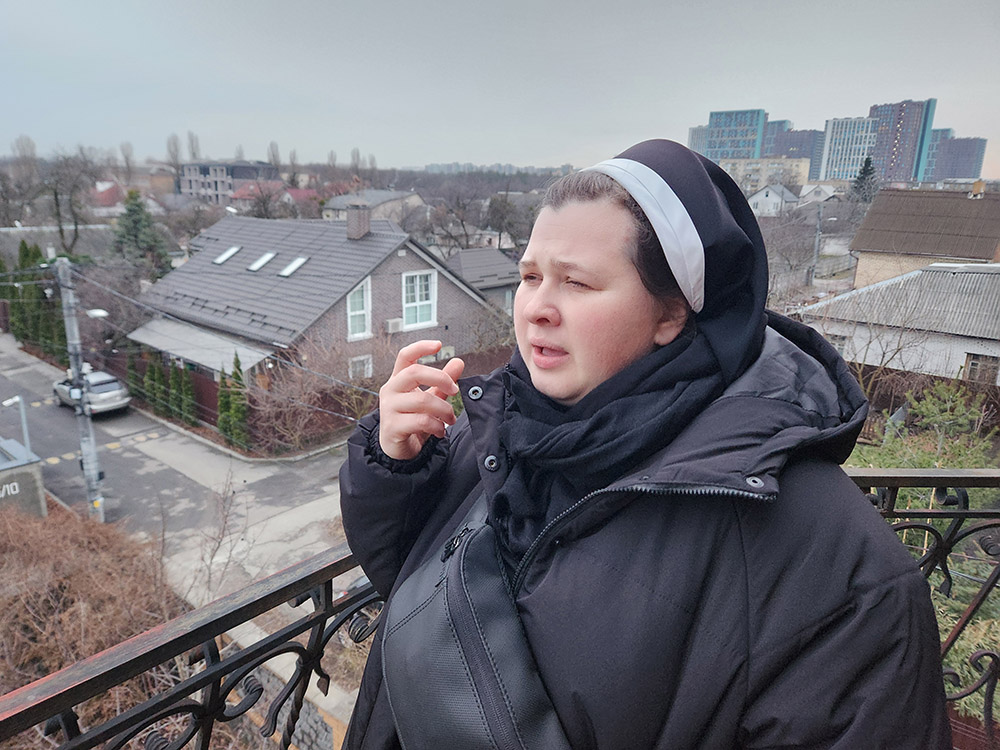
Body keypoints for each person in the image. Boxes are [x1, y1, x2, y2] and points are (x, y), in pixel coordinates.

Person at [339, 140, 951, 749]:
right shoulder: (505, 423)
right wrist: (395, 464)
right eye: (529, 276)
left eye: (577, 283)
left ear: (671, 315)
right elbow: (408, 584)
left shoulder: (825, 558)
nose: (537, 309)